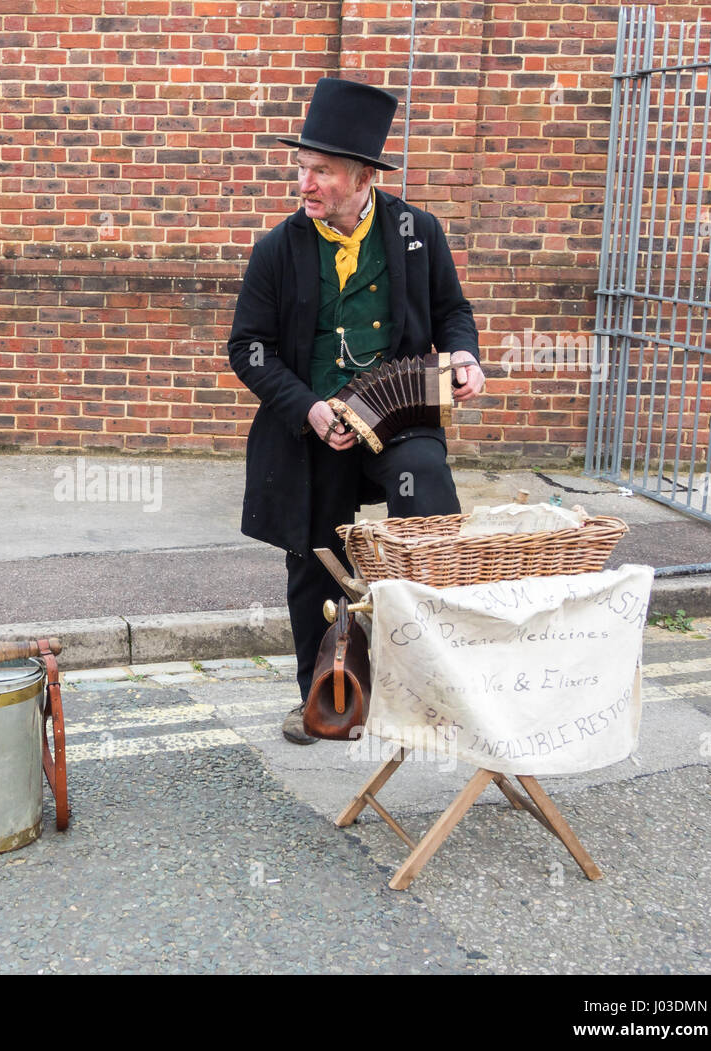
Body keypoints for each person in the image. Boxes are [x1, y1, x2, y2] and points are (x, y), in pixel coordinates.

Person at [227, 77, 486, 744]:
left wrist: (464, 356)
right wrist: (308, 409)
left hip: (397, 422)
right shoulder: (278, 249)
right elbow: (248, 348)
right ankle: (323, 693)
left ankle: (435, 672)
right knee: (315, 555)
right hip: (315, 430)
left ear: (364, 175)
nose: (304, 185)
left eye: (322, 173)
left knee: (426, 491)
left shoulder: (416, 232)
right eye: (302, 170)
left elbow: (454, 313)